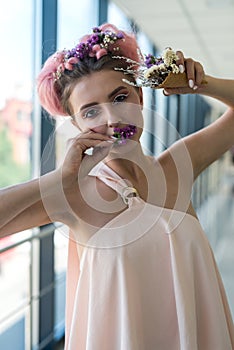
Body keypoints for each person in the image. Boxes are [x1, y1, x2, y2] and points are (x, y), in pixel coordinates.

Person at [1, 23, 234, 349]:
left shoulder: (178, 165)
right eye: (91, 111)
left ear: (140, 97)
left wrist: (201, 83)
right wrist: (58, 179)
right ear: (77, 125)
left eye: (120, 97)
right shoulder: (74, 195)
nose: (112, 118)